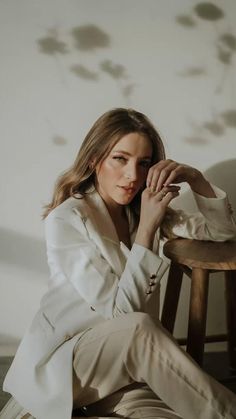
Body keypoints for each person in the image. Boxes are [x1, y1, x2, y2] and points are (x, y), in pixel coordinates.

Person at [1, 108, 236, 419]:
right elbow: (121, 314)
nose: (133, 176)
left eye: (144, 163)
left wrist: (195, 178)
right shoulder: (67, 219)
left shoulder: (144, 209)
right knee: (139, 328)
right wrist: (149, 229)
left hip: (123, 376)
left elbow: (223, 232)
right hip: (69, 366)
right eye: (120, 159)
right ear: (95, 159)